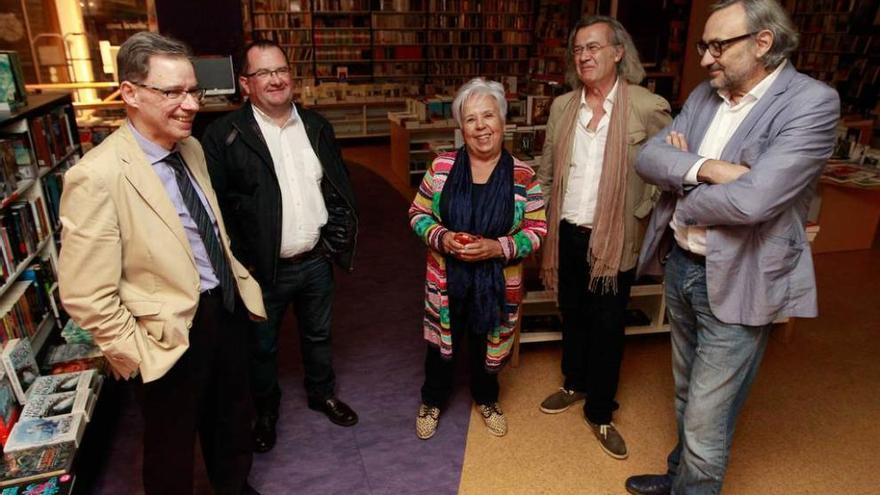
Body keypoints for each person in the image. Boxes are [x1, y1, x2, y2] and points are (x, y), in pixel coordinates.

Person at [625, 1, 839, 493]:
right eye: (704, 45)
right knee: (684, 392)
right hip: (683, 265)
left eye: (718, 46)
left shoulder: (811, 103)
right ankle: (680, 475)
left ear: (762, 42)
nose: (705, 59)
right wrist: (711, 169)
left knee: (707, 411)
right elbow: (649, 156)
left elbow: (754, 202)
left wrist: (683, 180)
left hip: (743, 274)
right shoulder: (706, 95)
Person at [57, 32, 266, 495]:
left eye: (193, 90)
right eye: (172, 92)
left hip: (224, 309)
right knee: (170, 450)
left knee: (231, 422)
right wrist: (136, 353)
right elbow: (83, 293)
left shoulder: (190, 147)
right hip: (165, 334)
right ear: (130, 93)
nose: (190, 104)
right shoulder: (96, 175)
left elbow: (205, 226)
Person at [202, 39, 359, 454]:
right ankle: (266, 412)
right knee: (261, 347)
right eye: (263, 73)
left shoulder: (316, 127)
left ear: (292, 75)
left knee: (319, 336)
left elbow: (339, 189)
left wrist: (334, 241)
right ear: (245, 84)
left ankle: (321, 393)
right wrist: (243, 264)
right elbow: (217, 209)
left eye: (281, 70)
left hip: (315, 261)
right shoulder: (223, 136)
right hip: (261, 269)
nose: (275, 80)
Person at [536, 15, 672, 460]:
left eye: (594, 47)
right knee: (572, 313)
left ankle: (599, 409)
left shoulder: (647, 106)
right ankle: (573, 382)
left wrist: (638, 213)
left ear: (618, 52)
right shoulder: (562, 107)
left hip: (614, 240)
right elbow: (548, 169)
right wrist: (541, 218)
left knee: (608, 325)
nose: (584, 57)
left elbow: (666, 170)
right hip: (567, 231)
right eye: (578, 49)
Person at [408, 78, 547, 440]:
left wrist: (497, 247)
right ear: (461, 127)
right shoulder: (440, 168)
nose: (481, 126)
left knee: (488, 338)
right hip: (446, 278)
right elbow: (417, 214)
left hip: (496, 282)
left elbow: (537, 230)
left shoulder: (523, 175)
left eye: (488, 116)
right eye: (471, 119)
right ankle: (432, 400)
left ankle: (486, 398)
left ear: (503, 121)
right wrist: (444, 237)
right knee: (439, 344)